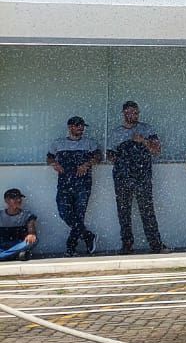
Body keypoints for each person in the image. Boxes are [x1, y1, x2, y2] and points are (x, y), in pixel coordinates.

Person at [106, 100, 166, 254]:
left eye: (136, 112)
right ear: (124, 113)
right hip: (122, 176)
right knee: (123, 211)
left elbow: (157, 150)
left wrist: (143, 141)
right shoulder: (116, 132)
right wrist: (121, 158)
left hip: (142, 175)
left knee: (147, 210)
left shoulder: (146, 129)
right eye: (130, 112)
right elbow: (110, 155)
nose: (133, 115)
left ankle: (156, 244)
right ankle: (127, 244)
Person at [46, 116, 101, 255]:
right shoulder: (58, 143)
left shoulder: (89, 143)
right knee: (64, 212)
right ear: (70, 127)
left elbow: (98, 157)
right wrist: (54, 164)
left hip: (83, 184)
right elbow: (49, 157)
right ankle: (88, 235)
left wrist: (86, 164)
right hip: (64, 184)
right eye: (78, 126)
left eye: (82, 126)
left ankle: (71, 248)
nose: (81, 128)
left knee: (79, 216)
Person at [0, 189, 39, 262]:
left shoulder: (27, 215)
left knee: (33, 240)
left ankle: (4, 256)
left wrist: (31, 234)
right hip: (2, 245)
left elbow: (32, 232)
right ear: (6, 200)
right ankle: (14, 255)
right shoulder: (0, 214)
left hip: (19, 244)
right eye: (14, 198)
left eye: (19, 198)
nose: (18, 200)